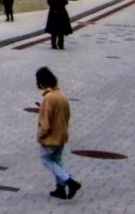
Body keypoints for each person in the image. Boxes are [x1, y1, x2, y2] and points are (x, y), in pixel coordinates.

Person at [35, 67, 80, 200]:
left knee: (46, 160)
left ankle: (70, 182)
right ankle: (60, 189)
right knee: (58, 161)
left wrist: (40, 135)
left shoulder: (49, 98)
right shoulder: (61, 94)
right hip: (62, 134)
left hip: (51, 138)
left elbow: (46, 124)